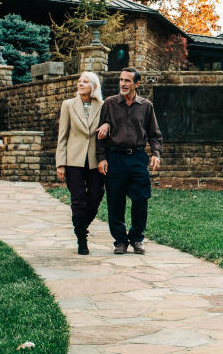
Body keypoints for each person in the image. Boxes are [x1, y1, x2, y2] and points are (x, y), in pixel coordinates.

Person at [96, 67, 162, 254]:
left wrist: (156, 153)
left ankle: (136, 238)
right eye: (121, 80)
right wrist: (101, 158)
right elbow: (99, 134)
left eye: (127, 81)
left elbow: (155, 134)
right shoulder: (109, 103)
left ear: (137, 84)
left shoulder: (146, 106)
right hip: (115, 157)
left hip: (137, 157)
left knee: (141, 199)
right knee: (115, 201)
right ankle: (120, 241)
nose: (123, 84)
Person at [56, 71, 105, 255]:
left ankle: (81, 226)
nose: (81, 84)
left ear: (94, 86)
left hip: (94, 160)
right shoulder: (68, 105)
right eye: (79, 81)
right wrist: (60, 163)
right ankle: (81, 239)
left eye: (85, 81)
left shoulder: (102, 105)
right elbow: (63, 135)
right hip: (73, 160)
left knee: (96, 195)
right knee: (78, 200)